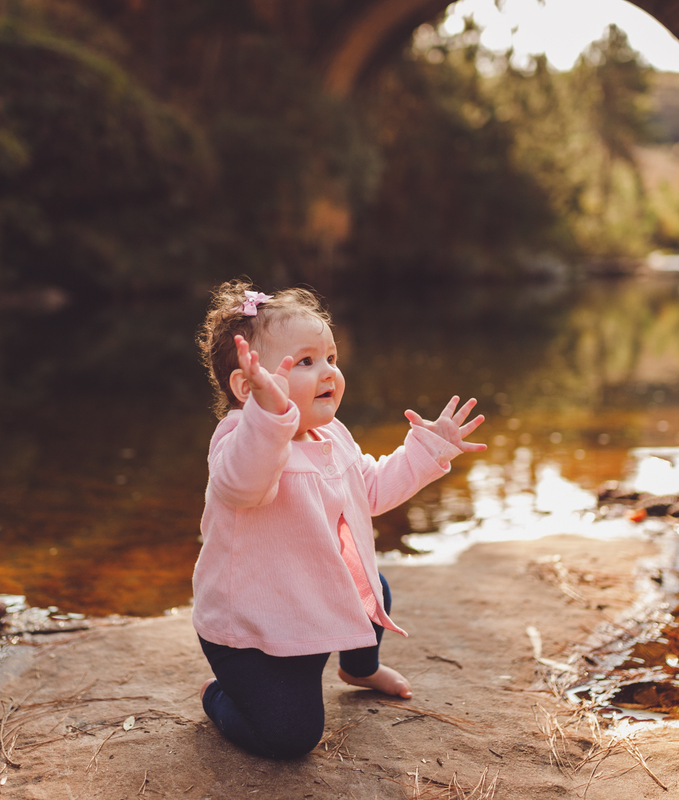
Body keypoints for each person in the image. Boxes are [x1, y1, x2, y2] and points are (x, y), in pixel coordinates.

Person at [192, 279, 486, 758]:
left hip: (312, 599)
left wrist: (429, 448)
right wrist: (269, 418)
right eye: (305, 362)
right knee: (291, 738)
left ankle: (359, 668)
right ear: (249, 388)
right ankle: (219, 694)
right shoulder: (242, 444)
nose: (328, 372)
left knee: (374, 587)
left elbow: (369, 490)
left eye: (330, 357)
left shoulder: (332, 434)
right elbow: (243, 486)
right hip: (257, 632)